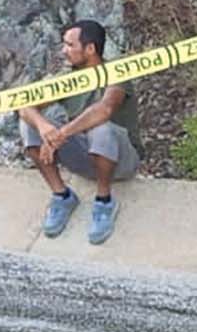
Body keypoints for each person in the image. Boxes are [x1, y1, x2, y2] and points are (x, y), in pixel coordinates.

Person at [17, 19, 141, 245]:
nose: (64, 51)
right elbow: (24, 105)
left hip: (121, 161)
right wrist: (45, 128)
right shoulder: (67, 78)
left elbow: (104, 110)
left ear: (90, 49)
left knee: (101, 129)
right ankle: (62, 196)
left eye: (70, 45)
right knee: (29, 124)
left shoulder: (116, 72)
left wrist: (61, 133)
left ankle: (104, 201)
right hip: (86, 157)